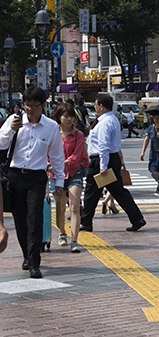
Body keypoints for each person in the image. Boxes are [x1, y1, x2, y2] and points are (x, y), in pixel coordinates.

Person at [0, 87, 65, 278]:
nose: (29, 109)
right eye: (27, 105)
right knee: (20, 221)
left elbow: (57, 155)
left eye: (34, 106)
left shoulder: (51, 126)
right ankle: (27, 256)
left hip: (37, 177)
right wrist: (10, 132)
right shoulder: (13, 121)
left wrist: (59, 180)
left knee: (35, 218)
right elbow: (0, 144)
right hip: (15, 176)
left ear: (43, 106)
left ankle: (35, 262)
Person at [80, 94, 146, 233]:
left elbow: (103, 145)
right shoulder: (112, 119)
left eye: (96, 104)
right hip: (111, 158)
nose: (95, 107)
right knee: (118, 191)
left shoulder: (104, 122)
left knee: (91, 192)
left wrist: (103, 166)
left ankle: (86, 222)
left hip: (102, 160)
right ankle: (137, 218)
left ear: (101, 106)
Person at [50, 102, 89, 253]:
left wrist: (62, 162)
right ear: (59, 117)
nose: (69, 119)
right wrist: (49, 164)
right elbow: (47, 151)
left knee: (74, 206)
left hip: (74, 172)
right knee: (60, 207)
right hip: (56, 174)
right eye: (65, 116)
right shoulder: (53, 134)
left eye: (71, 116)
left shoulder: (78, 134)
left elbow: (78, 154)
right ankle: (62, 233)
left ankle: (75, 240)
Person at [140, 113, 159, 197]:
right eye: (155, 118)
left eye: (158, 118)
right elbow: (146, 140)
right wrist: (143, 152)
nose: (157, 120)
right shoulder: (151, 128)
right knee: (153, 171)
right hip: (154, 153)